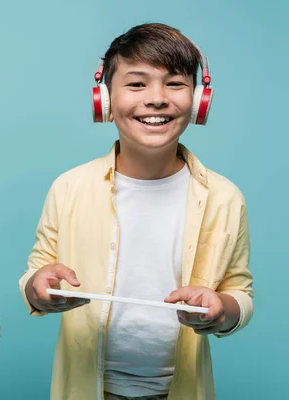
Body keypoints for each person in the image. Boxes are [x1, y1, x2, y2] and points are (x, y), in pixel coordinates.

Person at [19, 23, 253, 400]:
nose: (157, 98)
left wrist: (222, 310)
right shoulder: (70, 187)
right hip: (87, 388)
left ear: (198, 101)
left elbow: (239, 291)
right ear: (105, 99)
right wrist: (38, 288)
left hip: (181, 389)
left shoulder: (225, 197)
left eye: (175, 84)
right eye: (137, 84)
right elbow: (37, 271)